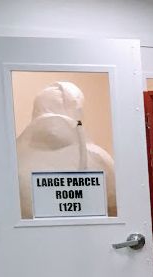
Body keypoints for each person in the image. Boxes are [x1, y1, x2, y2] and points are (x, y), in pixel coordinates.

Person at [17, 82, 117, 218]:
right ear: (77, 110)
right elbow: (115, 211)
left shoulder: (14, 157)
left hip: (27, 239)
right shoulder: (97, 157)